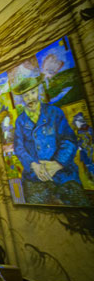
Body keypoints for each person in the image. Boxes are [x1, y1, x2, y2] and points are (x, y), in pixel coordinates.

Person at [11, 77, 89, 205]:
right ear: (22, 99)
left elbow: (69, 140)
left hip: (63, 175)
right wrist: (33, 165)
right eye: (26, 95)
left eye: (32, 93)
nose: (30, 98)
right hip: (35, 178)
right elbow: (19, 148)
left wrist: (58, 164)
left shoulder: (54, 113)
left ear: (38, 92)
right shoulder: (20, 121)